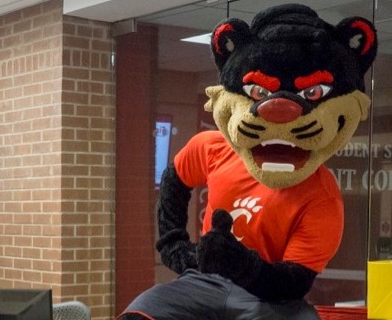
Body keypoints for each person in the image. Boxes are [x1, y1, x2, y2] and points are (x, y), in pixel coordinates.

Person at [118, 3, 377, 319]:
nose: (278, 110)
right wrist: (176, 247)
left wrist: (242, 265)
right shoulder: (212, 147)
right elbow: (175, 180)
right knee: (141, 310)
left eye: (312, 94)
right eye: (258, 91)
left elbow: (293, 282)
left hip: (266, 293)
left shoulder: (323, 196)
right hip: (204, 282)